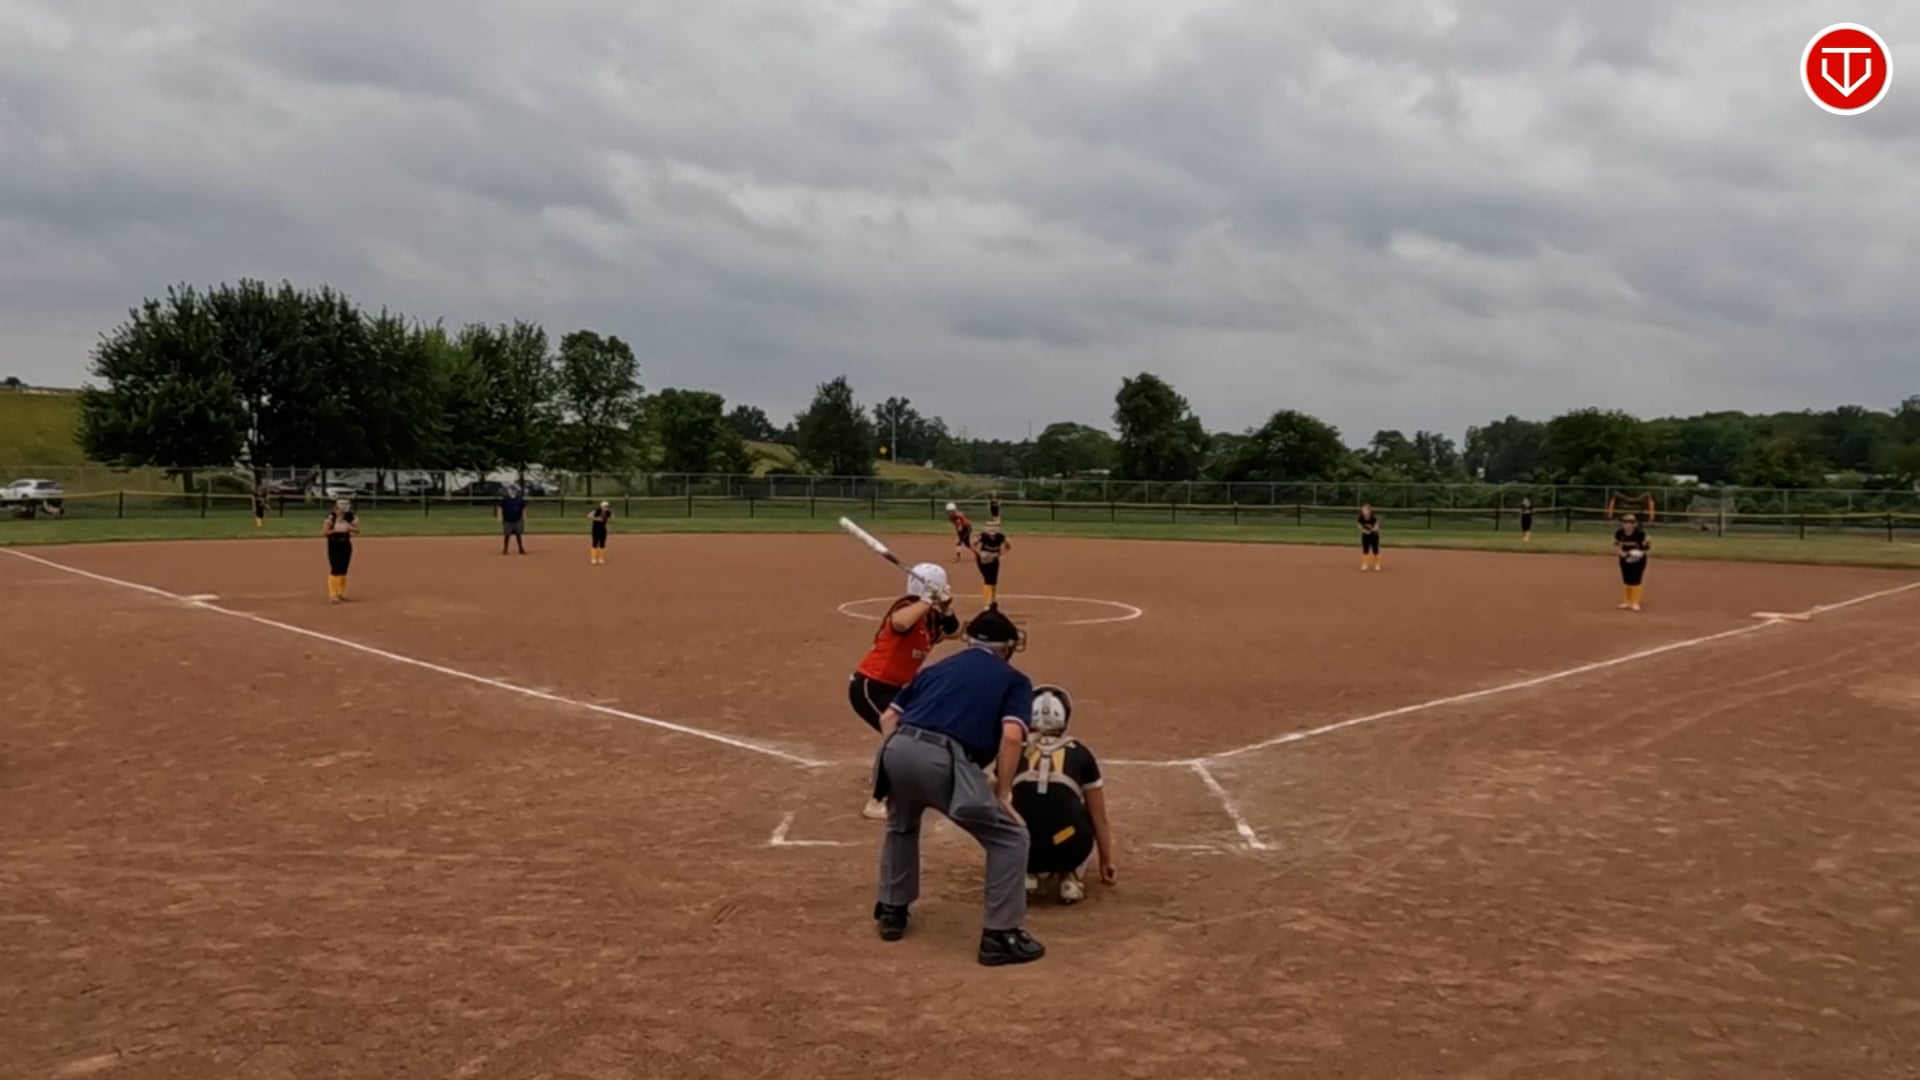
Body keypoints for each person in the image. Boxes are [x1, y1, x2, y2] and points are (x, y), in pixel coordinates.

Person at [870, 606, 1045, 967]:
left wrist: (898, 761)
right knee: (1010, 838)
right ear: (1007, 647)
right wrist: (1003, 793)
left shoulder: (936, 669)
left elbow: (888, 718)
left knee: (901, 824)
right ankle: (1000, 935)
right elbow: (1012, 736)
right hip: (944, 760)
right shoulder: (1014, 679)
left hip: (896, 749)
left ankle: (892, 910)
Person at [849, 563, 960, 819]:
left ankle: (908, 779)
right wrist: (927, 599)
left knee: (917, 731)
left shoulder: (931, 618)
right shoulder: (906, 607)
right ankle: (877, 800)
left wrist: (946, 607)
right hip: (872, 685)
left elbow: (954, 632)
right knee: (898, 738)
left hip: (898, 691)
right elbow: (899, 624)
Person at [1012, 685, 1116, 905]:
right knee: (1081, 812)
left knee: (1009, 806)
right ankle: (1070, 876)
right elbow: (1099, 816)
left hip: (1023, 847)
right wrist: (1106, 861)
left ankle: (1026, 873)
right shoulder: (1080, 752)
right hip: (1068, 845)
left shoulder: (1015, 750)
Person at [1613, 513, 1651, 611]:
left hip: (1638, 560)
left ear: (1634, 524)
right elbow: (1617, 545)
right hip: (1624, 558)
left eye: (1630, 523)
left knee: (1636, 580)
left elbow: (1646, 548)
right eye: (1625, 523)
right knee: (1626, 580)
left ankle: (1635, 602)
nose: (1627, 525)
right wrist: (1621, 553)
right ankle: (1627, 601)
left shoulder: (1640, 534)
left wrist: (1637, 554)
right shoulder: (1619, 533)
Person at [324, 498, 359, 603]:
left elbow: (357, 530)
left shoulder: (350, 516)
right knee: (335, 568)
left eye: (346, 505)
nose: (344, 507)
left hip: (345, 544)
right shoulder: (331, 516)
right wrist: (335, 530)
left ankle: (340, 593)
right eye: (342, 505)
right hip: (334, 544)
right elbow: (325, 532)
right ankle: (332, 594)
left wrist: (348, 528)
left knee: (344, 569)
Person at [973, 519, 1011, 605]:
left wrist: (1000, 554)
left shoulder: (1001, 537)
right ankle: (987, 602)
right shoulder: (983, 536)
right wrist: (979, 553)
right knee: (988, 579)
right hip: (983, 560)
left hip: (994, 559)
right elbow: (973, 544)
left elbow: (1008, 546)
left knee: (994, 580)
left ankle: (993, 599)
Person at [497, 485, 529, 555]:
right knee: (507, 535)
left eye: (513, 490)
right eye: (510, 490)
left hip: (517, 520)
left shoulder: (519, 499)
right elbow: (500, 507)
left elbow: (524, 507)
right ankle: (505, 549)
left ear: (516, 491)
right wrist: (500, 517)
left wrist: (524, 517)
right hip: (507, 520)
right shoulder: (505, 499)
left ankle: (521, 549)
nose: (512, 491)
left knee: (518, 535)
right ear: (508, 491)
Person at [1358, 503, 1382, 571]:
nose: (1363, 511)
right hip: (1365, 535)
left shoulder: (1373, 518)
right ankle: (1365, 564)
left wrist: (1373, 530)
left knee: (1375, 549)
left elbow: (1377, 526)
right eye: (1363, 510)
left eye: (1365, 510)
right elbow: (1359, 525)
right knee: (1365, 549)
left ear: (1369, 511)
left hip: (1374, 535)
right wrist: (1364, 531)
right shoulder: (1361, 517)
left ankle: (1377, 564)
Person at [588, 501, 612, 565]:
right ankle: (593, 559)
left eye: (607, 506)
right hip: (595, 530)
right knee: (595, 543)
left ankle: (601, 558)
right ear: (601, 507)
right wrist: (596, 519)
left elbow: (607, 520)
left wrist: (606, 525)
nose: (606, 508)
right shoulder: (597, 511)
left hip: (603, 530)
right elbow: (589, 516)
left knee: (602, 544)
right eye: (604, 506)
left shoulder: (608, 512)